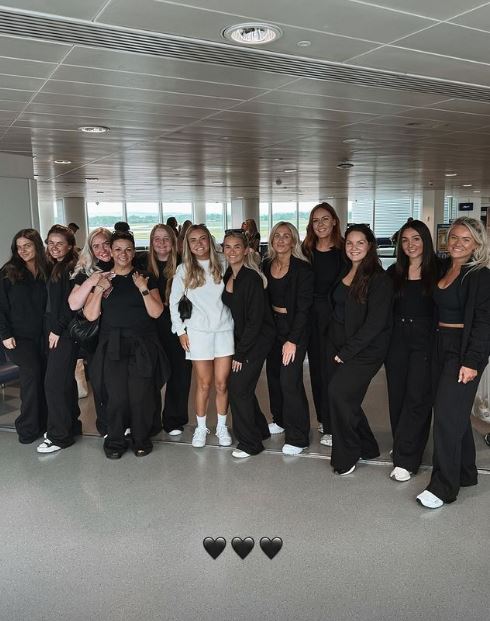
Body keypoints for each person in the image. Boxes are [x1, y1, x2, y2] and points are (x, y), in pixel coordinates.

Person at [417, 217, 490, 509]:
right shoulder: (447, 268)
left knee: (447, 417)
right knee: (454, 413)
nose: (458, 243)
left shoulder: (481, 275)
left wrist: (472, 362)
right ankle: (466, 472)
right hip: (439, 347)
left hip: (462, 352)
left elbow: (484, 323)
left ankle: (444, 487)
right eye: (454, 237)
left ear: (477, 244)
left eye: (466, 239)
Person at [83, 231, 166, 459]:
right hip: (112, 345)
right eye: (118, 249)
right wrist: (99, 288)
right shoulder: (103, 279)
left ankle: (141, 439)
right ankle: (115, 441)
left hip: (142, 344)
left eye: (128, 249)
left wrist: (143, 288)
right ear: (111, 252)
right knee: (116, 396)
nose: (123, 254)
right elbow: (90, 315)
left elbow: (157, 311)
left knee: (140, 396)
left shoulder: (145, 277)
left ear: (134, 251)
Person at [327, 224, 393, 475]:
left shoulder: (379, 279)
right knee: (346, 398)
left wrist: (345, 352)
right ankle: (367, 445)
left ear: (370, 246)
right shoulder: (346, 270)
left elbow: (374, 325)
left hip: (366, 350)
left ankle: (348, 454)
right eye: (350, 243)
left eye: (360, 243)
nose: (354, 248)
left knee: (338, 393)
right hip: (341, 346)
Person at [169, 224, 234, 448]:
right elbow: (174, 302)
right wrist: (180, 331)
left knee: (222, 383)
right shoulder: (183, 269)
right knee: (204, 384)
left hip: (224, 330)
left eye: (203, 239)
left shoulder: (225, 263)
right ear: (188, 244)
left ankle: (222, 427)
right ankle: (201, 427)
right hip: (198, 333)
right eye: (193, 240)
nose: (199, 244)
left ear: (210, 240)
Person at [385, 220, 439, 482]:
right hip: (396, 339)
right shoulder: (393, 272)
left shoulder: (439, 270)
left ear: (425, 241)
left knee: (418, 396)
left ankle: (408, 458)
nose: (410, 245)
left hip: (425, 339)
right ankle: (403, 442)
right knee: (397, 396)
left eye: (416, 239)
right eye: (405, 240)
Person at [222, 231, 275, 458]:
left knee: (238, 388)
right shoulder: (229, 274)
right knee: (242, 386)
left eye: (237, 247)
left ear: (246, 250)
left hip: (257, 340)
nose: (232, 251)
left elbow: (255, 321)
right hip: (242, 338)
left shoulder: (251, 278)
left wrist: (240, 354)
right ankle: (260, 430)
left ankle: (250, 443)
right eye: (227, 247)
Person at [262, 222, 314, 455]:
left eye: (286, 236)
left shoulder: (303, 269)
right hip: (272, 328)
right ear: (271, 240)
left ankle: (298, 436)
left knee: (289, 380)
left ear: (294, 241)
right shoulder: (265, 265)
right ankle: (280, 419)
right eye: (277, 236)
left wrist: (292, 339)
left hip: (295, 329)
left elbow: (304, 308)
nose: (281, 240)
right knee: (274, 375)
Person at [0, 229, 50, 443]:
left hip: (45, 335)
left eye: (27, 246)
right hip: (18, 338)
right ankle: (28, 427)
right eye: (18, 247)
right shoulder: (8, 272)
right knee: (32, 374)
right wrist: (4, 334)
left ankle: (47, 423)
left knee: (48, 378)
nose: (22, 251)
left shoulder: (48, 269)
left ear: (37, 246)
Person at [302, 202, 343, 447]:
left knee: (333, 372)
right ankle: (323, 419)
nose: (321, 224)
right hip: (310, 317)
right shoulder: (306, 251)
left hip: (335, 318)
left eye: (325, 219)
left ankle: (333, 422)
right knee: (317, 371)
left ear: (334, 221)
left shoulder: (343, 251)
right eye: (316, 220)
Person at [36, 225, 80, 454]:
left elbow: (71, 305)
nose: (54, 247)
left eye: (59, 243)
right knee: (64, 382)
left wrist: (57, 329)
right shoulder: (52, 266)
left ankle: (59, 436)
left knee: (53, 384)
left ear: (70, 246)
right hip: (51, 330)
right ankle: (71, 425)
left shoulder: (70, 269)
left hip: (62, 333)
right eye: (50, 243)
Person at [147, 224, 192, 435]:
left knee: (179, 374)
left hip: (179, 326)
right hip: (150, 327)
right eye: (157, 238)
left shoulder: (184, 264)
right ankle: (151, 419)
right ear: (151, 242)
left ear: (174, 242)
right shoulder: (142, 264)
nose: (162, 243)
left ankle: (174, 419)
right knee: (150, 374)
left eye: (166, 238)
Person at [68, 227, 113, 435]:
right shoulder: (86, 272)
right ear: (91, 249)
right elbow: (74, 304)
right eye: (96, 246)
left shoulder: (125, 265)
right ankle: (105, 426)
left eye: (106, 244)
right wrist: (94, 281)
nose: (102, 249)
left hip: (122, 333)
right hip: (96, 337)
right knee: (101, 383)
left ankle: (127, 423)